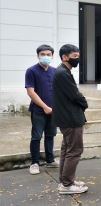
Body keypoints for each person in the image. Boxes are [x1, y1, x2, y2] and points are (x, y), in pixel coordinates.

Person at [52, 44, 88, 195]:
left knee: (67, 150)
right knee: (75, 150)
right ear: (64, 57)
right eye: (74, 56)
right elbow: (74, 94)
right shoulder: (63, 73)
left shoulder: (62, 71)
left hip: (67, 117)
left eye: (78, 56)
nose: (77, 59)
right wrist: (84, 102)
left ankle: (66, 180)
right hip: (71, 118)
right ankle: (67, 184)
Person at [25, 45, 59, 175]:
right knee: (36, 136)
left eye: (48, 54)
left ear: (52, 56)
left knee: (50, 136)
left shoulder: (55, 71)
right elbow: (30, 92)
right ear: (38, 55)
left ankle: (50, 160)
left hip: (53, 111)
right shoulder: (31, 71)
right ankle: (34, 163)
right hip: (39, 111)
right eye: (43, 54)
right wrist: (45, 107)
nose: (46, 56)